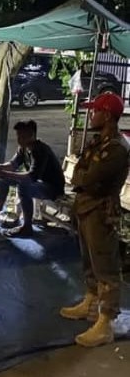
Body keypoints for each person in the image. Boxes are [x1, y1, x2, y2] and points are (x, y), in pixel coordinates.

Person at [60, 93, 129, 347]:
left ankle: (106, 322)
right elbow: (79, 170)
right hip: (87, 207)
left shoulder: (116, 147)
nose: (91, 114)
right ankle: (90, 301)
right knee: (90, 262)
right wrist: (81, 174)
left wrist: (81, 174)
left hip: (101, 211)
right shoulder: (101, 142)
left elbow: (86, 178)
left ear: (108, 115)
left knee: (106, 267)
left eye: (95, 110)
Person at [0, 120, 65, 238]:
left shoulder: (40, 150)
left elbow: (31, 177)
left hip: (52, 188)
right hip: (37, 183)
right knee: (3, 178)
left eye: (21, 136)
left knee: (23, 186)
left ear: (31, 135)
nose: (18, 139)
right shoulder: (23, 148)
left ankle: (27, 227)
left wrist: (6, 173)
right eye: (18, 136)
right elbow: (13, 164)